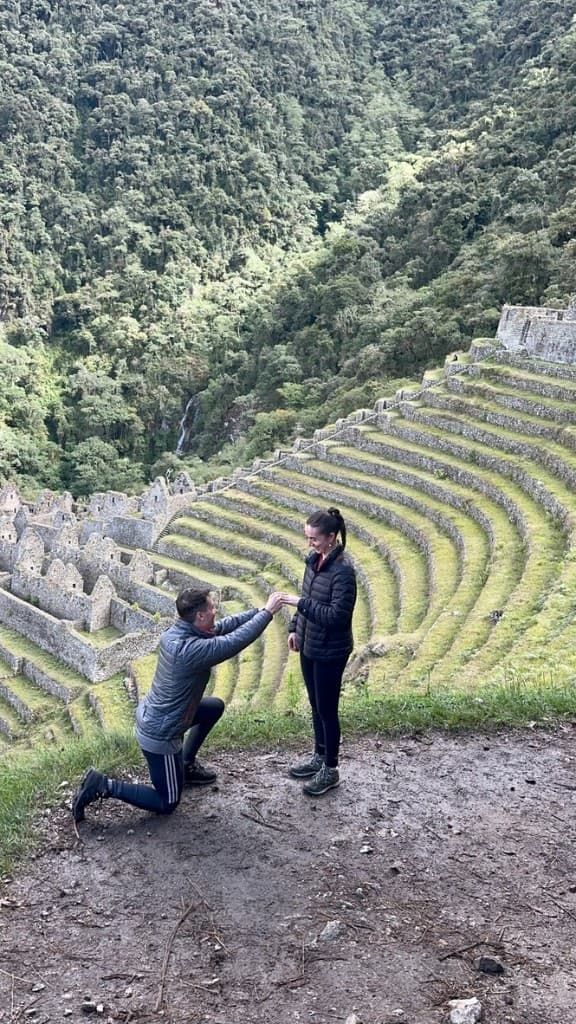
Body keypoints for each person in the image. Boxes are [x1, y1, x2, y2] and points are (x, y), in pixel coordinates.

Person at [72, 587, 284, 823]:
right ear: (200, 616)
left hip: (161, 714)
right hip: (161, 732)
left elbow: (225, 626)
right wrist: (267, 614)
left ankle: (185, 765)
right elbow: (233, 642)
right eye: (212, 608)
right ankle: (102, 785)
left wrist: (260, 610)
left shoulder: (182, 631)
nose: (216, 610)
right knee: (168, 801)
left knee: (214, 707)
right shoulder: (190, 650)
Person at [282, 508, 357, 797]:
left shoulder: (343, 572)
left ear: (331, 538)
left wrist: (300, 604)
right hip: (309, 644)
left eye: (314, 538)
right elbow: (308, 597)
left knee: (327, 710)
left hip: (331, 650)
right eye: (307, 538)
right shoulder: (313, 562)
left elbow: (337, 617)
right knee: (315, 706)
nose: (309, 543)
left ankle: (331, 768)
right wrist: (293, 628)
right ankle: (318, 756)